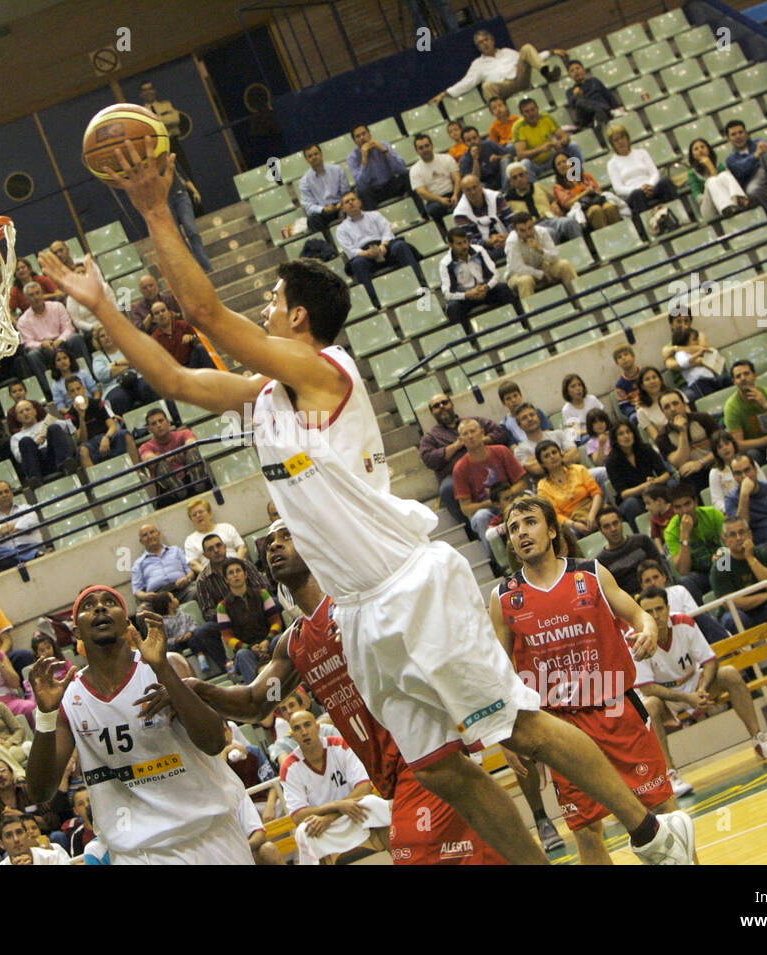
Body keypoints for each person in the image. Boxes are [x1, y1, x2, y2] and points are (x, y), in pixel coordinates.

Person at [38, 144, 696, 866]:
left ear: (296, 317)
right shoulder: (263, 401)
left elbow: (203, 312)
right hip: (359, 611)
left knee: (519, 728)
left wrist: (155, 207)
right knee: (441, 766)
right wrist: (99, 306)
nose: (258, 315)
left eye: (268, 307)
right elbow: (171, 374)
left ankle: (654, 834)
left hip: (411, 583)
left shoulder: (330, 373)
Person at [178, 521, 516, 863]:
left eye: (287, 536)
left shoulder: (353, 607)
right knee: (482, 856)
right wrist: (195, 688)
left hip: (426, 754)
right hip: (391, 774)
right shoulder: (294, 643)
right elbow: (253, 703)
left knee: (414, 853)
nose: (274, 546)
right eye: (269, 543)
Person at [492, 496, 695, 864]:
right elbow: (500, 672)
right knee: (586, 831)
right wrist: (506, 733)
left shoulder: (591, 573)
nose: (522, 532)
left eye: (530, 522)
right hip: (559, 726)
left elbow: (637, 615)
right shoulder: (503, 598)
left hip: (617, 709)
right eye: (514, 528)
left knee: (662, 811)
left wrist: (647, 629)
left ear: (552, 530)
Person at [25, 585, 256, 865]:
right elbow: (40, 792)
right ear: (76, 634)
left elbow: (214, 742)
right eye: (88, 605)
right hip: (137, 853)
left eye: (110, 602)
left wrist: (166, 675)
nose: (99, 608)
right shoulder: (69, 697)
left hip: (209, 835)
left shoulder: (167, 665)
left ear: (126, 621)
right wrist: (45, 715)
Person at [635, 587, 767, 798]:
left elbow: (710, 661)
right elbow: (647, 688)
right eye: (649, 612)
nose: (655, 615)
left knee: (730, 673)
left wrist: (702, 691)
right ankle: (671, 773)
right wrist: (688, 698)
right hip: (665, 696)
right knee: (649, 705)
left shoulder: (684, 622)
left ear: (668, 609)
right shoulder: (635, 638)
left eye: (659, 609)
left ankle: (760, 740)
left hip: (694, 683)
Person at [280, 708, 386, 863]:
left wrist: (331, 816)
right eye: (297, 728)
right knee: (304, 831)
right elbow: (297, 816)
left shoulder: (341, 745)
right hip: (321, 824)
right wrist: (337, 805)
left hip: (352, 812)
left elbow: (364, 787)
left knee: (374, 803)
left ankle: (401, 858)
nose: (303, 732)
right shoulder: (289, 767)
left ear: (317, 728)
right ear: (293, 736)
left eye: (307, 725)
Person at [421, 393, 512, 534]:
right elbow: (429, 460)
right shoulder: (431, 437)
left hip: (486, 467)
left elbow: (500, 433)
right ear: (432, 412)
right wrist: (456, 446)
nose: (442, 407)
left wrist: (478, 440)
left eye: (444, 402)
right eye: (436, 406)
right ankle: (472, 530)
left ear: (452, 404)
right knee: (447, 487)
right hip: (459, 478)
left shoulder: (473, 423)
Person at [335, 190, 427, 309]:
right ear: (343, 208)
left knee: (400, 246)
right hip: (364, 256)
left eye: (353, 200)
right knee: (357, 264)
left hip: (384, 247)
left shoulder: (374, 215)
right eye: (347, 202)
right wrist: (365, 253)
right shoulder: (341, 229)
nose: (351, 203)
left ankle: (421, 284)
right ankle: (376, 302)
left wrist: (384, 245)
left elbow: (386, 231)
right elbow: (350, 250)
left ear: (359, 202)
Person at [429, 28, 563, 105]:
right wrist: (445, 93)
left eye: (486, 40)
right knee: (486, 86)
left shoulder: (507, 52)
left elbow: (528, 58)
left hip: (519, 79)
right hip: (502, 89)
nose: (484, 44)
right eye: (480, 43)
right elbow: (467, 82)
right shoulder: (478, 64)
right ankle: (500, 112)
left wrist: (550, 52)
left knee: (526, 48)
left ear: (492, 40)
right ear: (478, 47)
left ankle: (548, 74)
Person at [452, 417, 528, 546]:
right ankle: (498, 562)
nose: (470, 436)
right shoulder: (459, 468)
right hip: (487, 509)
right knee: (481, 517)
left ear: (482, 433)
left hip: (511, 499)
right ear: (461, 440)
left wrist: (505, 498)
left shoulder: (501, 451)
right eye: (465, 434)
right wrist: (492, 502)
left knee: (528, 495)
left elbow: (522, 483)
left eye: (473, 431)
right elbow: (466, 508)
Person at [190, 534, 259, 674]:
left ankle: (282, 644)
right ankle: (230, 666)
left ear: (225, 546)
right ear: (205, 555)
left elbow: (263, 588)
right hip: (228, 621)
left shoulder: (243, 565)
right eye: (210, 549)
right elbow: (208, 612)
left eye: (218, 546)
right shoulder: (203, 580)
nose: (216, 550)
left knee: (276, 603)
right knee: (202, 632)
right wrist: (232, 613)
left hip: (255, 610)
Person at [216, 558, 281, 683]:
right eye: (231, 573)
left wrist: (267, 640)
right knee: (242, 655)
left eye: (238, 571)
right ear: (226, 579)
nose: (235, 575)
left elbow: (276, 622)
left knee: (279, 641)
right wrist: (250, 647)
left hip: (269, 642)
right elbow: (227, 638)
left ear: (245, 574)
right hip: (247, 650)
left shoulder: (263, 594)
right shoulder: (222, 606)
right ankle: (258, 698)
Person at [708, 517, 767, 633]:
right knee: (732, 618)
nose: (738, 538)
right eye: (732, 535)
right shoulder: (721, 566)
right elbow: (732, 603)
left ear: (749, 534)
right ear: (725, 540)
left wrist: (750, 558)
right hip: (740, 615)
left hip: (764, 609)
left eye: (741, 532)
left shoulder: (761, 554)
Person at [605, 123, 677, 232]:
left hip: (650, 186)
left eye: (622, 137)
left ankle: (676, 217)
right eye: (616, 140)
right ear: (612, 144)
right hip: (633, 193)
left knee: (665, 182)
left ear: (627, 138)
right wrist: (640, 189)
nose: (620, 142)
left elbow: (654, 173)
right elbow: (618, 188)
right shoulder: (612, 163)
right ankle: (650, 229)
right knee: (637, 194)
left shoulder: (642, 153)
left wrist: (650, 185)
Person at [17, 282, 91, 383]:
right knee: (32, 355)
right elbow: (28, 343)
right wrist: (42, 344)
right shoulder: (23, 320)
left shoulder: (57, 306)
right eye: (31, 295)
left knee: (75, 338)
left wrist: (60, 340)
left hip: (62, 342)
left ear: (42, 294)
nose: (35, 297)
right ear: (26, 299)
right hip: (43, 349)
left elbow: (68, 328)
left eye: (37, 293)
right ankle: (50, 389)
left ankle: (88, 375)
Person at [605, 419, 670, 529]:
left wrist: (654, 482)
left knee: (672, 484)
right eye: (621, 434)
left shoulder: (645, 448)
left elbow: (665, 474)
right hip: (633, 497)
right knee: (631, 504)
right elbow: (623, 494)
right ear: (615, 439)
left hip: (653, 489)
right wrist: (644, 486)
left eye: (628, 432)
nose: (626, 436)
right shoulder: (611, 461)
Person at [664, 483, 724, 596]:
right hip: (702, 575)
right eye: (678, 507)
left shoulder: (712, 514)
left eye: (687, 504)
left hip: (723, 565)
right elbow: (683, 571)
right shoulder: (671, 531)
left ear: (695, 502)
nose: (684, 510)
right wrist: (684, 536)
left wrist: (721, 557)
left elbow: (730, 545)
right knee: (685, 581)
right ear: (673, 509)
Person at [534, 439, 603, 537]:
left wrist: (592, 515)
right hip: (571, 522)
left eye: (554, 452)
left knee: (608, 517)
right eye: (546, 456)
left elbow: (596, 493)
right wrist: (575, 525)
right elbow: (555, 514)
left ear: (561, 454)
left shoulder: (578, 469)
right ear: (542, 464)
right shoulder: (543, 486)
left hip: (592, 509)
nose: (552, 457)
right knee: (570, 535)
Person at [138, 407, 206, 506]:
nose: (158, 425)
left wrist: (168, 456)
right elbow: (148, 459)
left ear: (168, 422)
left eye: (161, 421)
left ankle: (201, 488)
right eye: (154, 424)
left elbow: (192, 443)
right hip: (169, 492)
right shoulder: (145, 446)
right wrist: (172, 456)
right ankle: (181, 494)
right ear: (149, 429)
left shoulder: (183, 433)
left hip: (190, 478)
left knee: (192, 453)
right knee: (161, 465)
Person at [503, 161, 582, 245]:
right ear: (510, 182)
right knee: (550, 233)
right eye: (515, 178)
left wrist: (554, 204)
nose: (519, 179)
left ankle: (583, 250)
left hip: (550, 219)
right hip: (534, 227)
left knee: (570, 222)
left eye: (521, 175)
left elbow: (553, 199)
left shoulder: (537, 186)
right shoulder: (509, 200)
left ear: (526, 175)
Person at [724, 453, 767, 555]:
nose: (744, 476)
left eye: (747, 470)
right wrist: (744, 495)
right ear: (734, 476)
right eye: (738, 473)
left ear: (755, 469)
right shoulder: (731, 500)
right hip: (759, 547)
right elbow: (740, 529)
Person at [503, 212, 577, 300]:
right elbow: (519, 269)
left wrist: (539, 249)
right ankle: (532, 312)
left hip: (541, 266)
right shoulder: (511, 242)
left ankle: (581, 298)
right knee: (526, 280)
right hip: (516, 275)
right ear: (516, 231)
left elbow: (555, 256)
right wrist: (541, 274)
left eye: (530, 228)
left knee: (564, 264)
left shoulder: (542, 232)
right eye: (523, 230)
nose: (528, 233)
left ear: (533, 225)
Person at [656, 390, 717, 493]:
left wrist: (700, 462)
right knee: (686, 478)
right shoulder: (662, 438)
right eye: (667, 407)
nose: (672, 409)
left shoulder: (703, 419)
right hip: (692, 475)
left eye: (675, 404)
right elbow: (679, 462)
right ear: (663, 412)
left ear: (684, 404)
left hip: (714, 463)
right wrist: (682, 432)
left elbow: (723, 447)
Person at [723, 359, 767, 459]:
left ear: (754, 375)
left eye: (746, 374)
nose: (743, 378)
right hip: (756, 448)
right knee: (751, 455)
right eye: (738, 376)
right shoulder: (731, 407)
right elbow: (738, 444)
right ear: (734, 382)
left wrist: (765, 404)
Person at [663, 310, 729, 404]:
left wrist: (677, 348)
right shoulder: (667, 347)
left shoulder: (697, 335)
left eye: (686, 321)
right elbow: (672, 365)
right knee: (690, 397)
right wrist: (699, 360)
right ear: (671, 324)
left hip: (709, 373)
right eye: (679, 321)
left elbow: (704, 349)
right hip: (686, 383)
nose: (683, 325)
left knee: (726, 378)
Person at [511, 98, 583, 181]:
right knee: (525, 164)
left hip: (552, 159)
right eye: (527, 112)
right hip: (535, 165)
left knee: (572, 145)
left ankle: (579, 178)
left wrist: (561, 143)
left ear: (537, 109)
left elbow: (565, 136)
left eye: (533, 109)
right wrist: (541, 149)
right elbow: (520, 155)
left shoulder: (546, 117)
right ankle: (537, 191)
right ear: (522, 114)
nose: (531, 114)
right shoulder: (518, 127)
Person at [345, 123, 410, 210]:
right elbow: (361, 185)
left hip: (391, 184)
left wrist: (385, 151)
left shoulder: (383, 145)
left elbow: (401, 169)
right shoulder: (352, 157)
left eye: (364, 134)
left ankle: (422, 213)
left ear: (369, 134)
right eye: (358, 136)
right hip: (373, 192)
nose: (362, 138)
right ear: (355, 141)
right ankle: (374, 222)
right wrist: (364, 159)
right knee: (362, 192)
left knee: (408, 176)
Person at [552, 150, 620, 232]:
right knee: (596, 210)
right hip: (581, 211)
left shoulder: (585, 176)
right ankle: (607, 237)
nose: (562, 165)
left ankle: (620, 233)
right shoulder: (558, 187)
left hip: (597, 201)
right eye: (558, 164)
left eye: (564, 161)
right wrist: (585, 192)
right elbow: (568, 204)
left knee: (610, 207)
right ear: (556, 169)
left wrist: (592, 191)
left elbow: (599, 191)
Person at [0, 481, 43, 567]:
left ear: (12, 493)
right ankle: (32, 555)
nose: (4, 495)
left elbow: (32, 522)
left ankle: (28, 555)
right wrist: (20, 527)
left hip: (30, 546)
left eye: (7, 491)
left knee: (9, 557)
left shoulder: (26, 508)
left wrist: (5, 531)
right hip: (7, 555)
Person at [131, 522, 195, 604]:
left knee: (196, 591)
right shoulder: (138, 563)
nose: (150, 536)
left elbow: (190, 571)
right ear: (141, 541)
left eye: (152, 532)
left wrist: (187, 579)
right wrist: (145, 596)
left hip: (182, 589)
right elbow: (137, 591)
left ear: (159, 534)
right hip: (157, 597)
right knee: (143, 611)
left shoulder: (175, 550)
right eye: (145, 535)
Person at [685, 136, 749, 218]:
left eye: (702, 147)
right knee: (711, 181)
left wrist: (710, 165)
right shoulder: (692, 174)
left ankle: (741, 200)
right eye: (696, 149)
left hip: (730, 200)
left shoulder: (720, 166)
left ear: (708, 149)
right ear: (693, 155)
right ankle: (726, 207)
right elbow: (698, 198)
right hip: (708, 208)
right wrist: (709, 166)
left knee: (724, 174)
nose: (700, 150)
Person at [298, 143, 350, 239]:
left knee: (351, 205)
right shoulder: (304, 181)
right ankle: (329, 249)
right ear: (306, 160)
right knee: (312, 219)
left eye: (316, 154)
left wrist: (341, 202)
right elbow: (309, 207)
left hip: (340, 205)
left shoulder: (337, 170)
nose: (314, 157)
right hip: (323, 212)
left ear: (321, 154)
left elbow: (346, 191)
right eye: (310, 156)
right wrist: (323, 209)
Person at [512, 404, 579, 477]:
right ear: (520, 426)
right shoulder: (520, 451)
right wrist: (562, 454)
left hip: (572, 475)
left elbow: (576, 455)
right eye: (524, 418)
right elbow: (536, 469)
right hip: (547, 485)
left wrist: (540, 461)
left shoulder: (558, 434)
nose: (530, 419)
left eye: (532, 415)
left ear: (539, 418)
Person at [410, 133, 460, 229]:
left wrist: (455, 195)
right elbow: (422, 192)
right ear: (417, 151)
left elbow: (457, 178)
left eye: (427, 146)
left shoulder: (446, 158)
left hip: (453, 193)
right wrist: (440, 200)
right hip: (435, 200)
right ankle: (446, 234)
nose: (425, 150)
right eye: (421, 148)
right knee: (434, 209)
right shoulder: (414, 170)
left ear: (432, 146)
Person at [453, 174, 511, 255]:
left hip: (508, 240)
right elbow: (467, 241)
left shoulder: (496, 198)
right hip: (483, 250)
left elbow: (512, 221)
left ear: (481, 186)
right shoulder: (460, 214)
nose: (473, 192)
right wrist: (488, 243)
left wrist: (507, 237)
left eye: (475, 187)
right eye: (468, 190)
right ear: (463, 192)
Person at [145, 299, 212, 369]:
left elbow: (204, 341)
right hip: (174, 372)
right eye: (157, 313)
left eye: (163, 311)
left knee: (201, 348)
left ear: (169, 312)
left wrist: (192, 337)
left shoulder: (183, 325)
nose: (161, 314)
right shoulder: (154, 339)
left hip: (192, 364)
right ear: (153, 319)